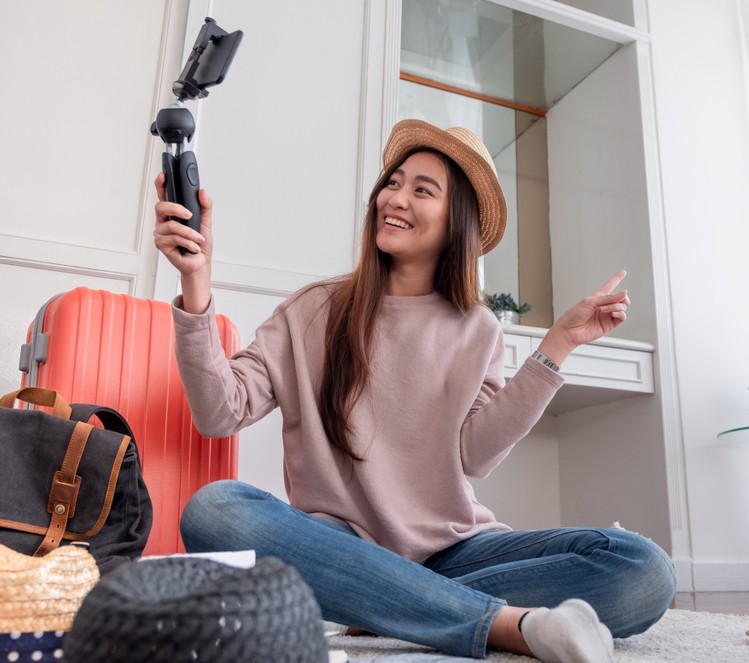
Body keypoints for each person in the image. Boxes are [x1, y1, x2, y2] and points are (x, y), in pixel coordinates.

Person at [152, 119, 675, 662]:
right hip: (342, 549)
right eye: (393, 182)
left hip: (456, 551)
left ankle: (380, 604)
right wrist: (197, 281)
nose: (395, 198)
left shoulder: (478, 329)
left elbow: (475, 455)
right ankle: (507, 626)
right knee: (217, 510)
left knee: (642, 570)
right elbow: (220, 411)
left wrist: (558, 346)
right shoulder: (315, 310)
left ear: (457, 223)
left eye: (422, 190)